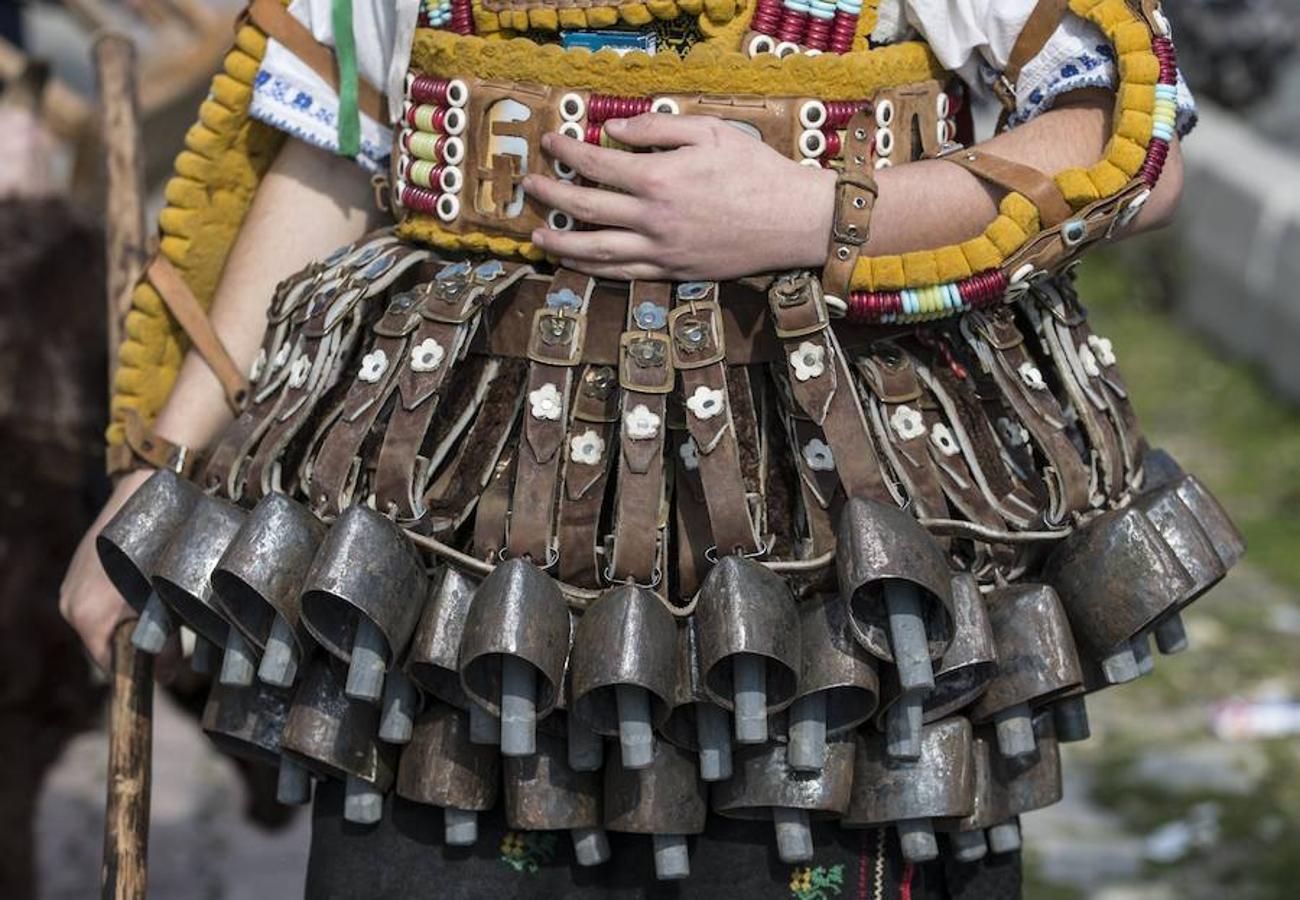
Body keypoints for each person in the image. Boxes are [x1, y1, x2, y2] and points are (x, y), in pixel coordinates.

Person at [60, 0, 1239, 897]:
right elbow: (328, 163)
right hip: (457, 550)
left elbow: (1129, 150)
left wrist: (806, 214)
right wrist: (156, 471)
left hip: (827, 560)